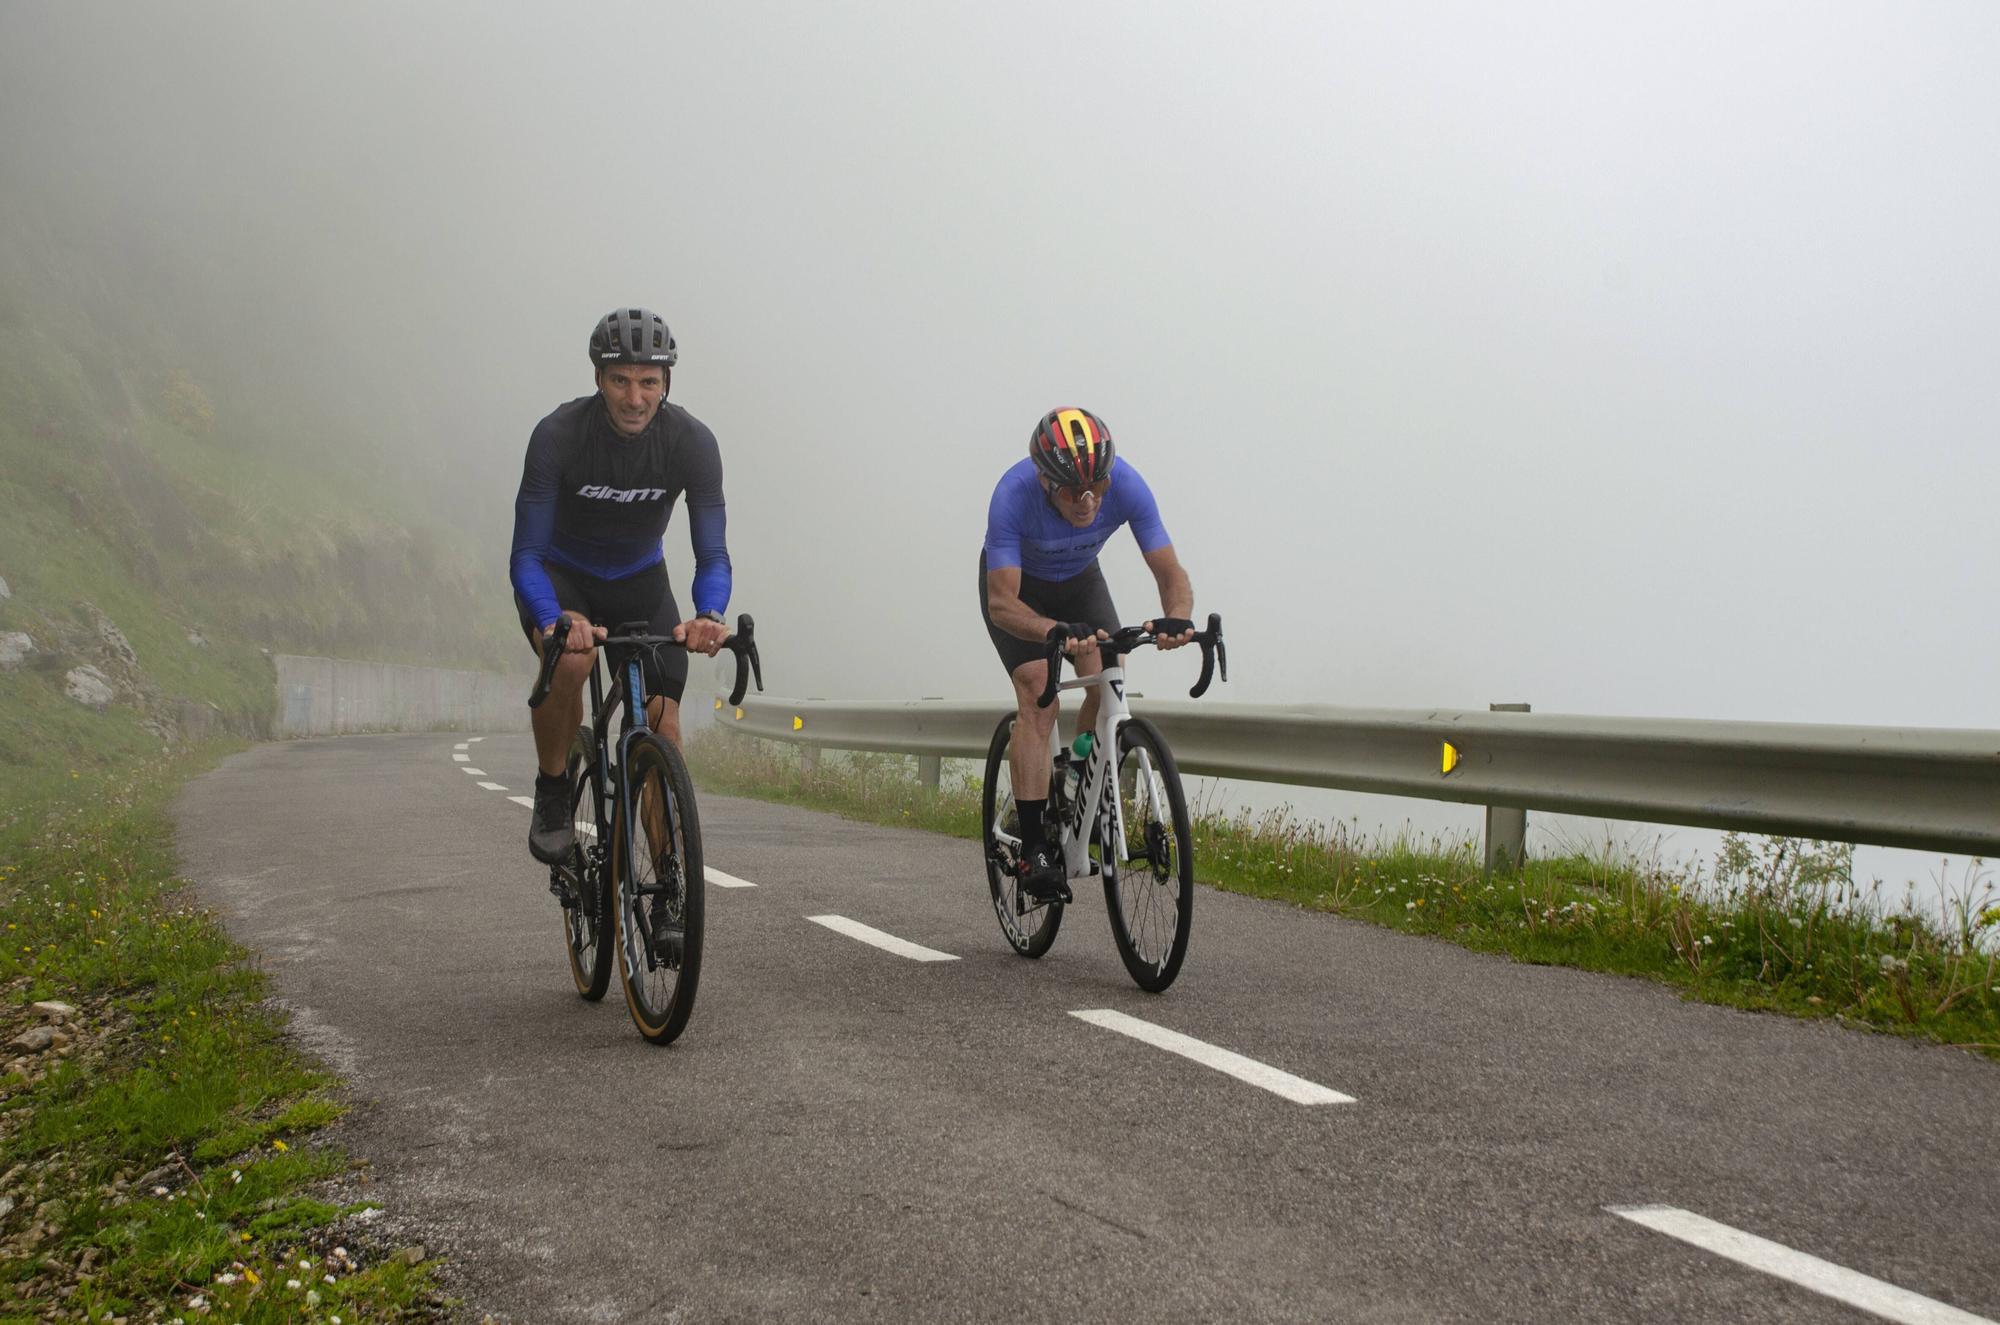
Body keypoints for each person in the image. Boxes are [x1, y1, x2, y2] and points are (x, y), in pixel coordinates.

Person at [510, 307, 732, 864]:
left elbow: (712, 552)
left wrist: (709, 612)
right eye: (620, 381)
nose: (635, 398)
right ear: (598, 380)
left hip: (639, 581)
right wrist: (551, 618)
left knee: (663, 723)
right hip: (563, 578)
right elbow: (527, 556)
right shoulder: (558, 435)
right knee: (572, 662)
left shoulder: (693, 443)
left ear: (666, 383)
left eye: (648, 382)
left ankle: (667, 890)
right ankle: (555, 788)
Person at [979, 406, 1194, 900]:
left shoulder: (1127, 485)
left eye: (1096, 484)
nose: (1088, 499)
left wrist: (1177, 616)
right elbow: (1000, 603)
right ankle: (1033, 846)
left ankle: (1076, 777)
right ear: (1045, 481)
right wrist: (1052, 629)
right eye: (1074, 490)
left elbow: (1170, 573)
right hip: (1019, 593)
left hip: (1079, 582)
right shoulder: (1013, 495)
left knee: (1109, 670)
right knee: (1039, 694)